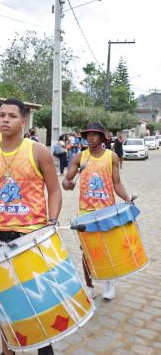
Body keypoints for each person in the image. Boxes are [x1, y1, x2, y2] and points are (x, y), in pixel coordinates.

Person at [0, 98, 62, 355]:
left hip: (32, 236)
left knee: (39, 296)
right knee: (2, 301)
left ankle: (44, 343)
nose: (4, 120)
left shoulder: (38, 151)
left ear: (23, 121)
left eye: (12, 116)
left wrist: (52, 220)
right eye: (1, 115)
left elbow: (55, 189)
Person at [62, 122, 130, 300]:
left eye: (94, 134)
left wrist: (126, 198)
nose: (90, 138)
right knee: (87, 252)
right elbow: (67, 180)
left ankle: (108, 283)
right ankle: (89, 285)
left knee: (108, 249)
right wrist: (68, 184)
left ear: (102, 137)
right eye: (88, 135)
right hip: (86, 212)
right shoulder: (79, 157)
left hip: (107, 210)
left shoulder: (112, 157)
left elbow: (117, 183)